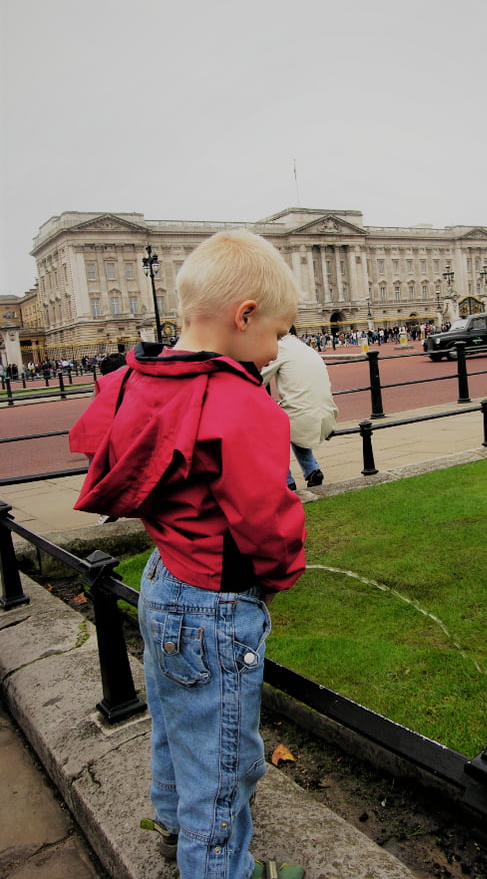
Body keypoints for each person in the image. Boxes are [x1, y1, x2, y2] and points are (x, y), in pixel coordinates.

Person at [69, 229, 307, 879]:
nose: (276, 349)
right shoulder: (240, 400)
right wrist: (286, 571)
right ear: (245, 315)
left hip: (162, 580)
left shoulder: (139, 380)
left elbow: (102, 443)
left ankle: (173, 832)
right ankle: (216, 866)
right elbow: (268, 518)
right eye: (278, 333)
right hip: (214, 603)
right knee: (223, 768)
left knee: (176, 732)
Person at [262, 326, 338, 490]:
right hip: (326, 415)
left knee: (266, 424)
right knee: (293, 420)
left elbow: (257, 378)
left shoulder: (279, 348)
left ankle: (286, 480)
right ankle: (312, 470)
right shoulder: (305, 347)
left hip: (304, 417)